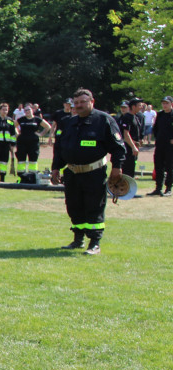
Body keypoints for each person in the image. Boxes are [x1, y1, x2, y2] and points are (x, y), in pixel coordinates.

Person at [50, 88, 127, 255]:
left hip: (94, 172)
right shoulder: (69, 122)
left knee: (94, 206)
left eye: (82, 102)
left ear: (92, 102)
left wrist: (117, 167)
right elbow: (60, 147)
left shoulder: (104, 120)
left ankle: (95, 243)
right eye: (76, 103)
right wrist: (56, 168)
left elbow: (118, 147)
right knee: (74, 206)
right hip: (72, 172)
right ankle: (78, 239)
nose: (78, 105)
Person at [15, 103, 51, 176]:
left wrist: (41, 134)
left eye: (28, 109)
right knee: (21, 159)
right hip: (22, 142)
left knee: (33, 159)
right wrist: (17, 134)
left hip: (33, 143)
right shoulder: (21, 119)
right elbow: (13, 126)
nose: (27, 111)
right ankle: (22, 176)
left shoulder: (37, 119)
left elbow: (48, 126)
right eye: (25, 110)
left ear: (32, 110)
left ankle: (32, 176)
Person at [147, 95, 173, 196]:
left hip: (170, 146)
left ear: (171, 104)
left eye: (167, 103)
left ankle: (169, 188)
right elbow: (156, 128)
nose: (165, 105)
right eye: (163, 103)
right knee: (158, 166)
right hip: (160, 144)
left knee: (169, 167)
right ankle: (158, 188)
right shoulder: (160, 114)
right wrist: (157, 137)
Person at [118, 97, 143, 179]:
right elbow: (126, 134)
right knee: (126, 171)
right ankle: (123, 190)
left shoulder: (135, 117)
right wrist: (133, 147)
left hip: (133, 147)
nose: (141, 107)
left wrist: (138, 142)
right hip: (128, 149)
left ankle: (128, 189)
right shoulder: (127, 117)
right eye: (139, 105)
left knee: (131, 170)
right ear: (133, 107)